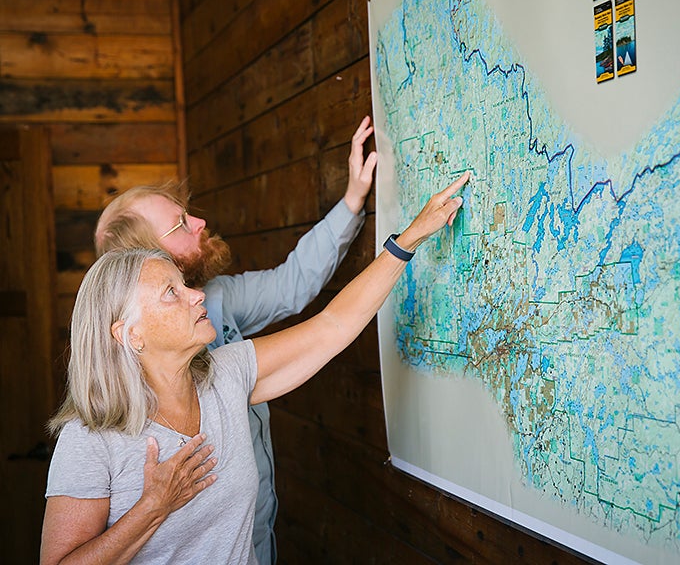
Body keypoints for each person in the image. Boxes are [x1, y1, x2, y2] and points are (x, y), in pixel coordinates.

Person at [40, 171, 470, 564]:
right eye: (172, 293)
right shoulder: (91, 438)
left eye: (185, 284)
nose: (197, 296)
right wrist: (151, 509)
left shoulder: (229, 374)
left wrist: (408, 240)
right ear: (130, 334)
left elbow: (333, 325)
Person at [92, 117, 378, 565]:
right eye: (180, 224)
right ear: (147, 257)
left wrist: (353, 200)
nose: (200, 221)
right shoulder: (101, 418)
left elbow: (291, 286)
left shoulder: (218, 297)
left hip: (258, 535)